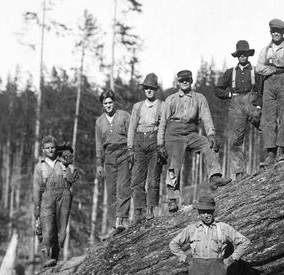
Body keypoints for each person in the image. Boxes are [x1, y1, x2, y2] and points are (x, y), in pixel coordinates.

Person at [157, 70, 231, 213]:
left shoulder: (199, 98)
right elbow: (163, 123)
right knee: (174, 162)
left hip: (191, 132)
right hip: (174, 134)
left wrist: (211, 135)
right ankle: (172, 198)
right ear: (178, 82)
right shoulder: (171, 99)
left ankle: (215, 176)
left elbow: (206, 117)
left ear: (191, 81)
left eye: (187, 80)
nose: (185, 83)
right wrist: (160, 144)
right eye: (182, 80)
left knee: (205, 143)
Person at [215, 40, 262, 180]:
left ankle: (273, 158)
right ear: (237, 56)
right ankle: (238, 173)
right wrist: (228, 94)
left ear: (248, 55)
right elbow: (218, 89)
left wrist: (259, 105)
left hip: (252, 102)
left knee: (266, 125)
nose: (242, 56)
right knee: (236, 139)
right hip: (236, 105)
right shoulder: (230, 73)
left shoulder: (255, 71)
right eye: (240, 54)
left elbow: (261, 89)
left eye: (245, 54)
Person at [255, 18, 284, 166]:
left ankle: (282, 149)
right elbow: (258, 67)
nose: (275, 34)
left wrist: (272, 62)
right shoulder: (265, 50)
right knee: (268, 118)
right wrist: (272, 68)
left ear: (283, 32)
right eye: (273, 31)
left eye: (278, 31)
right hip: (269, 84)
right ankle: (270, 153)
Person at [32, 135, 78, 267]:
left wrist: (69, 165)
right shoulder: (39, 166)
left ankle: (55, 257)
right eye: (47, 148)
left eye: (52, 147)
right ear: (43, 150)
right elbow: (36, 187)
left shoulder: (63, 162)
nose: (50, 150)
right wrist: (36, 205)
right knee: (47, 228)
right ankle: (46, 258)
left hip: (64, 195)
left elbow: (72, 179)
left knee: (61, 229)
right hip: (46, 197)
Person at [127, 73, 165, 223]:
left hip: (154, 141)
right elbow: (131, 127)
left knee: (153, 179)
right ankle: (138, 211)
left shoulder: (162, 105)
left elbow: (162, 126)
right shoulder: (137, 106)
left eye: (151, 88)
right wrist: (130, 148)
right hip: (139, 142)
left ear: (155, 89)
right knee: (137, 179)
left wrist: (161, 145)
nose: (149, 91)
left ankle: (150, 209)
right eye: (146, 88)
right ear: (143, 90)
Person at [95, 89, 131, 239]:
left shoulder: (124, 116)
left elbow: (131, 136)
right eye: (105, 103)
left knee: (123, 187)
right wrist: (99, 162)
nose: (108, 105)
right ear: (102, 105)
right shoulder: (99, 122)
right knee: (111, 192)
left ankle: (122, 220)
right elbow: (98, 143)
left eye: (110, 102)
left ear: (114, 102)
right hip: (109, 157)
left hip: (124, 153)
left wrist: (131, 153)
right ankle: (112, 225)